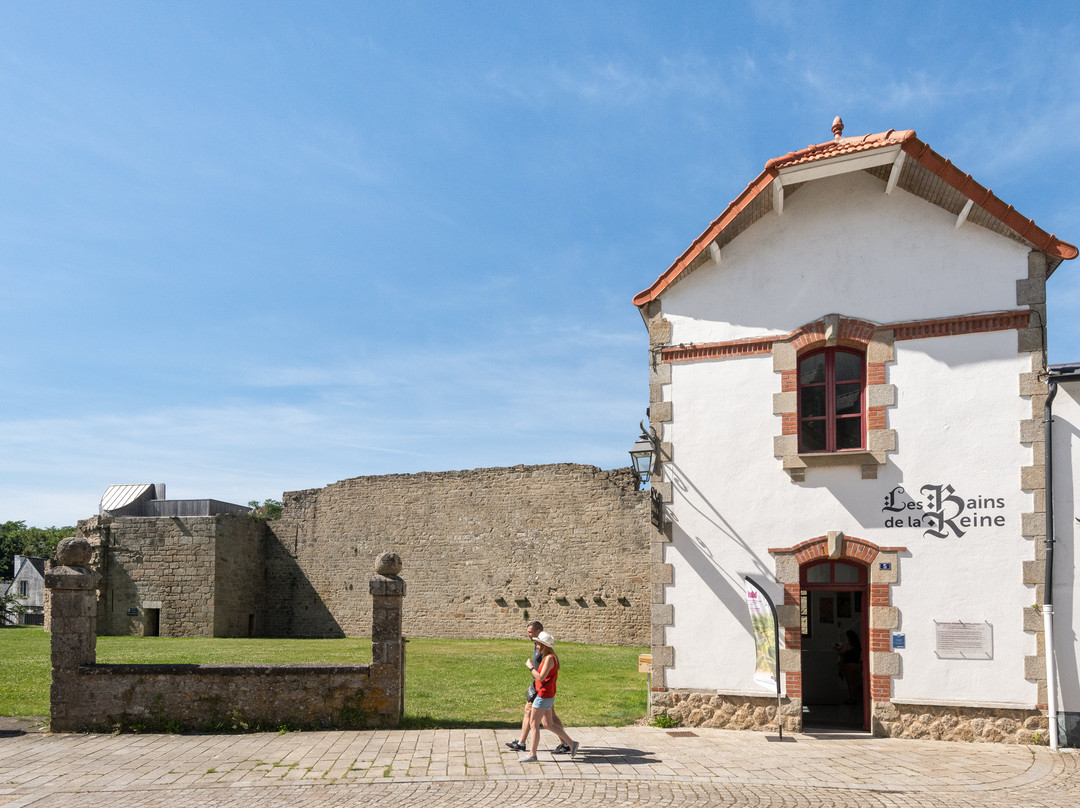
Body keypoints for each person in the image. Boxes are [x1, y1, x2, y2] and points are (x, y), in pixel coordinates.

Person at [506, 621, 571, 754]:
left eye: (530, 632)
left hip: (541, 689)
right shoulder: (539, 646)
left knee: (538, 720)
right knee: (548, 718)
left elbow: (543, 674)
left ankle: (524, 745)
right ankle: (566, 744)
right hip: (540, 687)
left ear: (538, 631)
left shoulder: (545, 652)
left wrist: (530, 668)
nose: (528, 635)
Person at [518, 631, 578, 762]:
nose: (537, 646)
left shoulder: (549, 658)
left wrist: (530, 667)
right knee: (548, 724)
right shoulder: (550, 657)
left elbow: (540, 677)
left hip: (543, 695)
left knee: (534, 724)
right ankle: (572, 744)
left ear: (544, 645)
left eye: (538, 644)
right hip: (547, 695)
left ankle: (532, 755)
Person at [835, 629, 862, 704]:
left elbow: (841, 652)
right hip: (857, 665)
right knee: (855, 683)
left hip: (849, 666)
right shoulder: (858, 645)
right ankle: (855, 698)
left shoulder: (848, 645)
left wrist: (837, 649)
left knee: (850, 683)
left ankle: (851, 699)